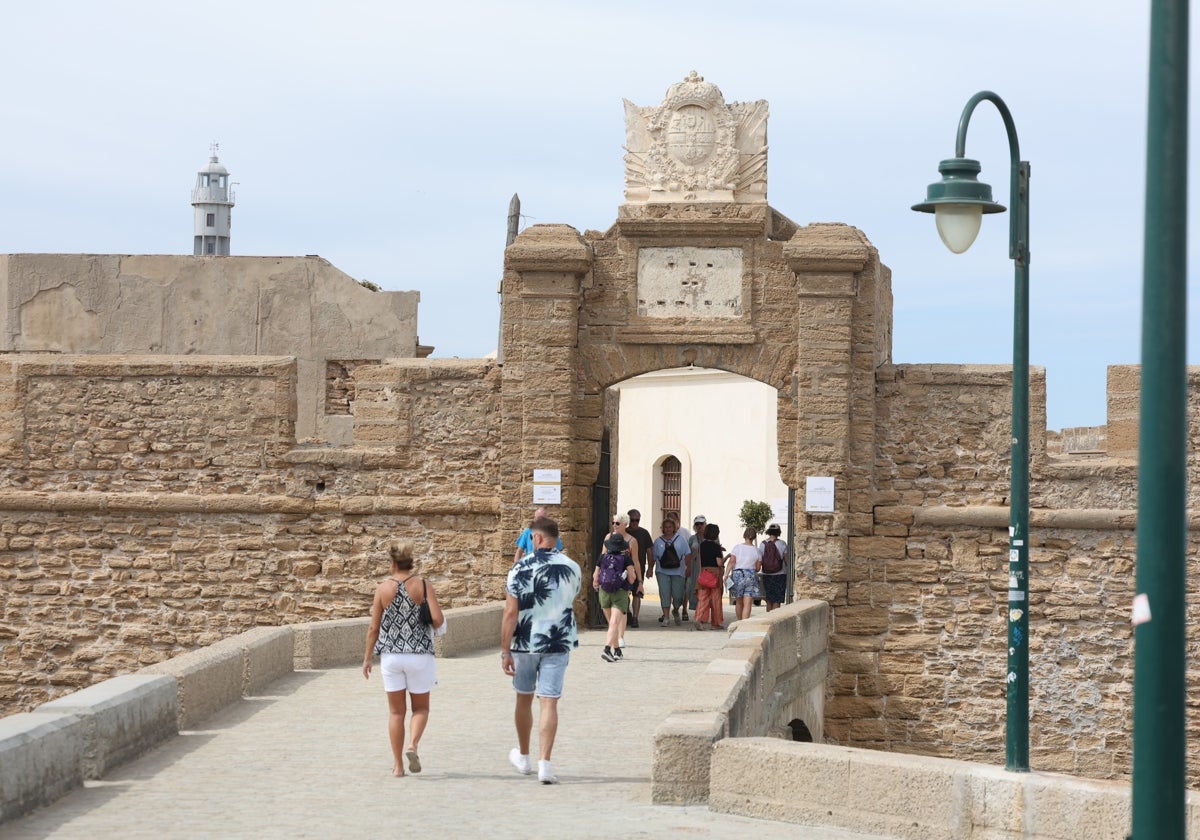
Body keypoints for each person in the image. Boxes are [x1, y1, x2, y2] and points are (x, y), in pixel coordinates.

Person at [501, 516, 582, 784]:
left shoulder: (518, 568)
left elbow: (511, 612)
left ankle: (523, 757)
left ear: (535, 538)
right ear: (556, 538)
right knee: (549, 701)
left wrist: (505, 650)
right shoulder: (572, 567)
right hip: (558, 642)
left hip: (525, 643)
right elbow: (572, 598)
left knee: (524, 698)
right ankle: (545, 764)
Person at [363, 541, 445, 777]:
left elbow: (373, 628)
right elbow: (438, 620)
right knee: (420, 708)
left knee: (396, 713)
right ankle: (413, 744)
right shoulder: (423, 585)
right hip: (419, 655)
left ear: (392, 563)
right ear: (411, 563)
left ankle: (398, 766)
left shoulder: (382, 589)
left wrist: (367, 658)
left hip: (391, 656)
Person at [593, 534, 635, 662]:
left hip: (604, 592)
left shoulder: (602, 557)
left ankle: (617, 651)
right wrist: (629, 585)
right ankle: (607, 649)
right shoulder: (626, 558)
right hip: (620, 592)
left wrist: (597, 585)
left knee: (611, 623)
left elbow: (595, 576)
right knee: (614, 623)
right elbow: (632, 577)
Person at [652, 517, 691, 625]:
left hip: (678, 571)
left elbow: (688, 554)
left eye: (670, 527)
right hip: (662, 571)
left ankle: (676, 609)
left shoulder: (681, 539)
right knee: (664, 594)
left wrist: (689, 568)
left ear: (674, 528)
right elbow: (653, 557)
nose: (668, 529)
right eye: (666, 527)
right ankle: (666, 618)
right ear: (662, 528)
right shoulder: (658, 541)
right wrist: (650, 569)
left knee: (678, 595)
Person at [724, 527, 763, 621]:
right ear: (754, 537)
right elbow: (758, 568)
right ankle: (744, 624)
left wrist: (726, 575)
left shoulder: (737, 548)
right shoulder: (757, 551)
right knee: (748, 602)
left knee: (738, 602)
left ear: (744, 535)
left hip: (738, 575)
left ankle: (739, 621)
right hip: (751, 576)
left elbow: (732, 562)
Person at [694, 523, 726, 630]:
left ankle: (698, 618)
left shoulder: (701, 546)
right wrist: (727, 557)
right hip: (714, 575)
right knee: (716, 600)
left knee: (702, 599)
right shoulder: (717, 547)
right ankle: (715, 623)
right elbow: (719, 563)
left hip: (703, 574)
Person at [625, 509, 653, 628]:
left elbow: (649, 551)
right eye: (632, 520)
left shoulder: (644, 533)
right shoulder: (623, 533)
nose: (635, 522)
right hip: (624, 568)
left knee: (637, 593)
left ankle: (635, 617)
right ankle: (628, 613)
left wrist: (650, 567)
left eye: (637, 520)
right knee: (624, 593)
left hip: (638, 568)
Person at [759, 523, 789, 611]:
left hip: (766, 574)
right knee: (777, 600)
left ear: (769, 532)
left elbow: (760, 559)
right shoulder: (782, 543)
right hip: (780, 574)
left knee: (769, 600)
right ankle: (774, 620)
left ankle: (768, 619)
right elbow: (786, 560)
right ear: (778, 532)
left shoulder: (762, 544)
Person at [684, 514, 706, 622]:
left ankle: (702, 615)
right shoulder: (692, 538)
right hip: (694, 567)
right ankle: (697, 612)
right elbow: (687, 554)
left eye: (701, 523)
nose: (699, 526)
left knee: (704, 591)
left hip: (706, 567)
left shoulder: (712, 537)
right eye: (697, 524)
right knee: (690, 589)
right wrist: (687, 567)